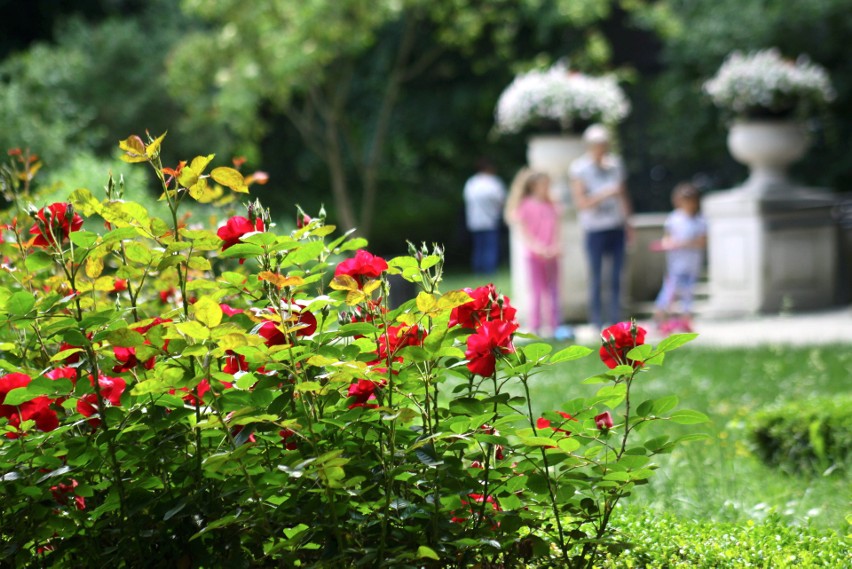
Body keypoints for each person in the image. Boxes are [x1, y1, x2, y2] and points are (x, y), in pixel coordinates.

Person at [570, 124, 633, 332]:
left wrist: (628, 223)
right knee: (596, 276)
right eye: (598, 145)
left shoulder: (615, 165)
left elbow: (623, 195)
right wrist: (605, 194)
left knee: (616, 276)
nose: (602, 149)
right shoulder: (579, 168)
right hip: (594, 229)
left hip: (616, 227)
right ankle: (596, 320)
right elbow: (581, 203)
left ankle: (615, 318)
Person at [511, 170, 562, 338]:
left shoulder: (552, 205)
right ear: (534, 186)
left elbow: (556, 229)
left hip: (552, 254)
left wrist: (555, 246)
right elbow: (524, 232)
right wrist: (538, 248)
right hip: (534, 255)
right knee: (537, 291)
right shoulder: (524, 205)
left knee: (553, 290)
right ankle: (536, 326)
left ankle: (555, 326)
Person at [653, 182, 707, 333]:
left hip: (692, 264)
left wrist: (683, 243)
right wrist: (671, 244)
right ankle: (660, 320)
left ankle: (686, 321)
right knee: (669, 292)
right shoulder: (674, 219)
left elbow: (702, 242)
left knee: (687, 293)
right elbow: (667, 239)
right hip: (676, 264)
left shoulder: (700, 221)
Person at [463, 158, 507, 274]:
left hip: (474, 221)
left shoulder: (471, 183)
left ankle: (478, 270)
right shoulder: (493, 183)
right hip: (490, 220)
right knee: (490, 247)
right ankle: (489, 271)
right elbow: (501, 200)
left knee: (478, 248)